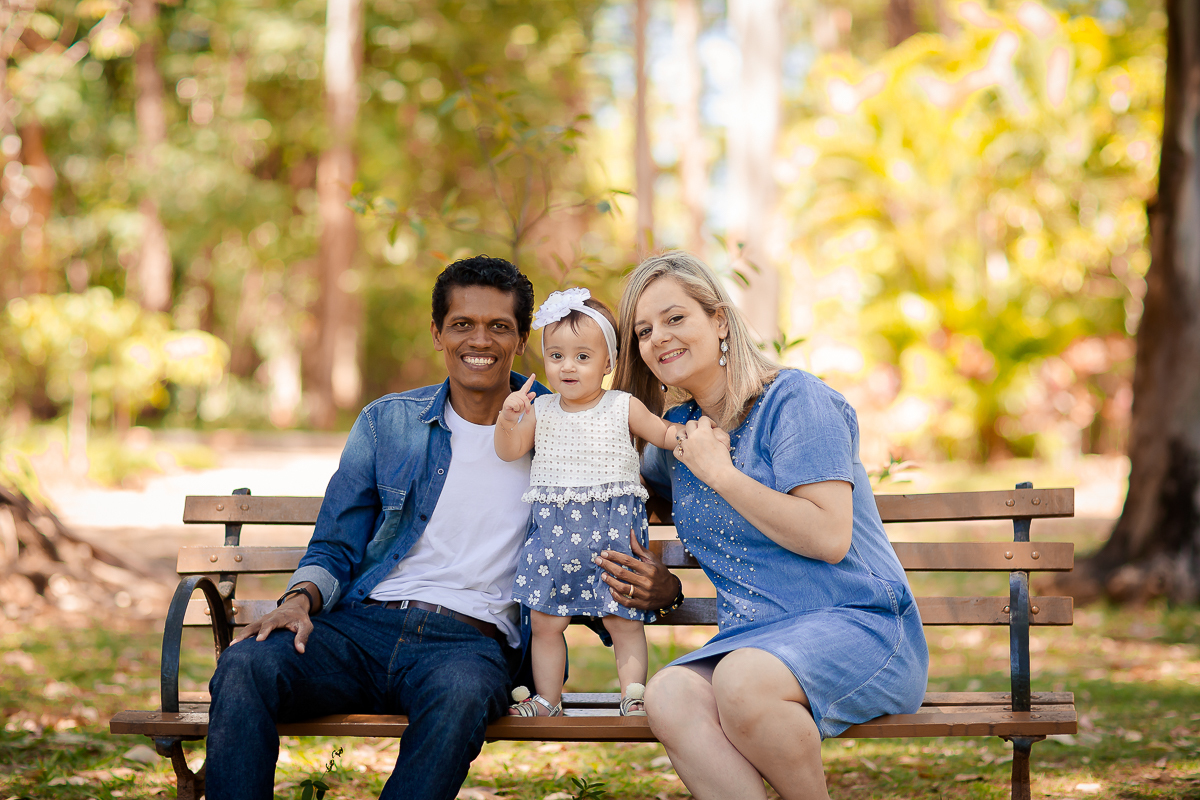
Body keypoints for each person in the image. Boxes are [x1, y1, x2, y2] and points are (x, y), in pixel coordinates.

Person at [203, 256, 682, 800]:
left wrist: (664, 591)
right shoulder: (388, 423)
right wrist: (298, 599)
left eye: (499, 326)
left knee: (461, 694)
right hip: (364, 628)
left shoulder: (575, 425)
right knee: (245, 665)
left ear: (522, 338)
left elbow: (644, 516)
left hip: (468, 645)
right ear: (438, 333)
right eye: (462, 325)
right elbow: (336, 542)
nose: (480, 340)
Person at [607, 251, 929, 800]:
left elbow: (830, 538)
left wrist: (721, 473)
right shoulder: (676, 437)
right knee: (668, 695)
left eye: (675, 318)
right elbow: (606, 476)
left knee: (740, 680)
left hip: (861, 626)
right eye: (643, 330)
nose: (658, 337)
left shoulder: (796, 401)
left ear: (720, 321)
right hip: (752, 642)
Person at [494, 288, 682, 719]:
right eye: (556, 355)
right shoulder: (539, 409)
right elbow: (509, 450)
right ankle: (548, 700)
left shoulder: (622, 406)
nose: (568, 366)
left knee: (623, 619)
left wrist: (686, 438)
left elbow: (662, 433)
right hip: (555, 538)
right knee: (545, 623)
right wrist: (509, 419)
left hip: (613, 534)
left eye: (582, 356)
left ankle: (633, 692)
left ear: (608, 363)